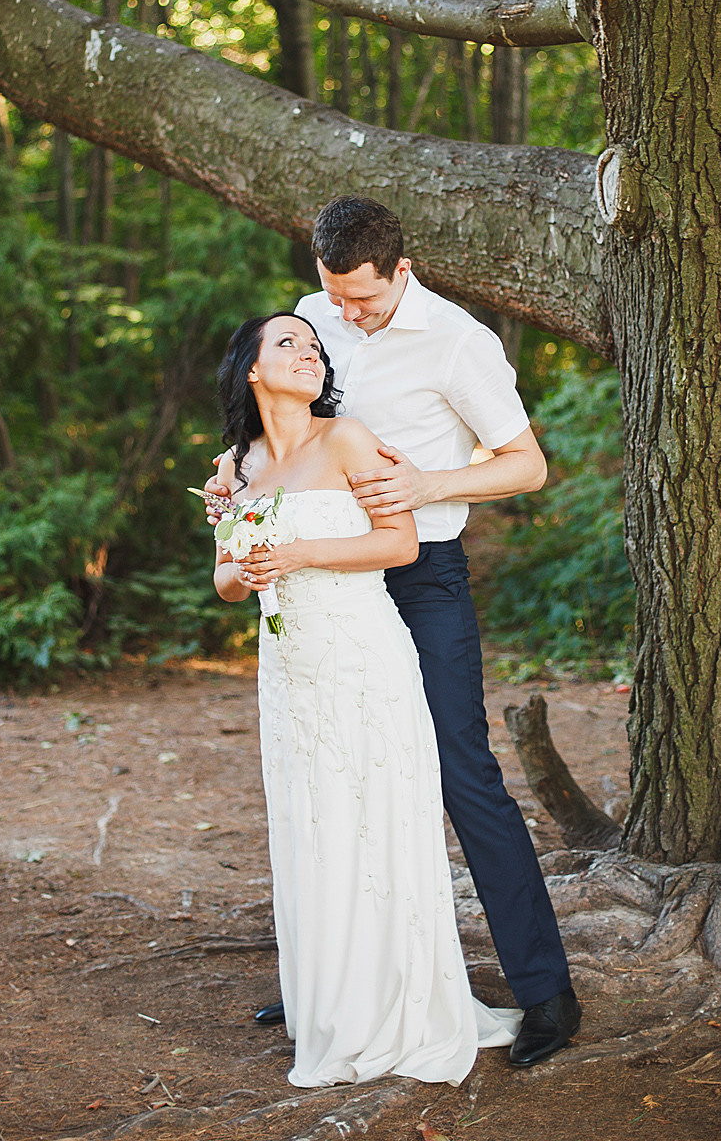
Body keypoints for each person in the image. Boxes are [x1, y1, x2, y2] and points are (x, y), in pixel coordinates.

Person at [251, 196, 580, 1068]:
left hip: (419, 578)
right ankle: (334, 980)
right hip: (327, 581)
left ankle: (545, 993)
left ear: (399, 269)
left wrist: (429, 485)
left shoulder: (459, 343)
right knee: (337, 770)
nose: (341, 315)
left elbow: (527, 463)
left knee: (460, 772)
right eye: (331, 296)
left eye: (360, 299)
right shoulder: (316, 315)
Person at [210, 311, 522, 1087]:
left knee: (374, 817)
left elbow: (401, 544)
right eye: (288, 343)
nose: (308, 353)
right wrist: (246, 568)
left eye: (314, 346)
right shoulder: (232, 466)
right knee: (311, 824)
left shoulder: (346, 438)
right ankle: (327, 1002)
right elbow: (222, 577)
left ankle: (398, 1004)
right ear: (250, 368)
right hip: (286, 671)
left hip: (362, 654)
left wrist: (302, 552)